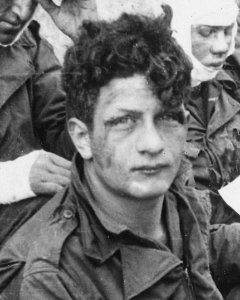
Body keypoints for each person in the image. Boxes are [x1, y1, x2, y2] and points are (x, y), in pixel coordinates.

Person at [2, 7, 240, 299]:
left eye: (167, 118)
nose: (153, 144)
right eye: (125, 122)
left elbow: (196, 245)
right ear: (82, 137)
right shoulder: (51, 282)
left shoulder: (173, 194)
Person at [0, 0, 77, 244]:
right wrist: (13, 179)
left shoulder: (30, 49)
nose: (20, 12)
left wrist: (90, 41)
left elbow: (71, 148)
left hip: (26, 228)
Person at [167, 0, 240, 224]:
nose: (221, 46)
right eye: (207, 32)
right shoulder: (146, 94)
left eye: (228, 30)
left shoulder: (231, 77)